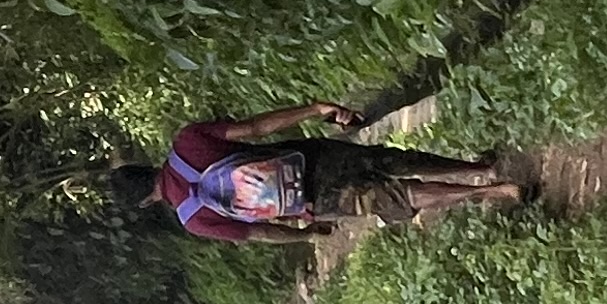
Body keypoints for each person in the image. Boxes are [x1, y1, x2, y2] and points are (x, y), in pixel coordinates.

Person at [110, 103, 524, 242]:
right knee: (393, 162)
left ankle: (492, 191)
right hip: (308, 159)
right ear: (145, 165)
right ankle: (479, 167)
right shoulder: (188, 142)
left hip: (310, 202)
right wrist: (314, 109)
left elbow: (261, 234)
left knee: (398, 196)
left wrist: (304, 233)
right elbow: (256, 128)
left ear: (148, 199)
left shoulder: (194, 220)